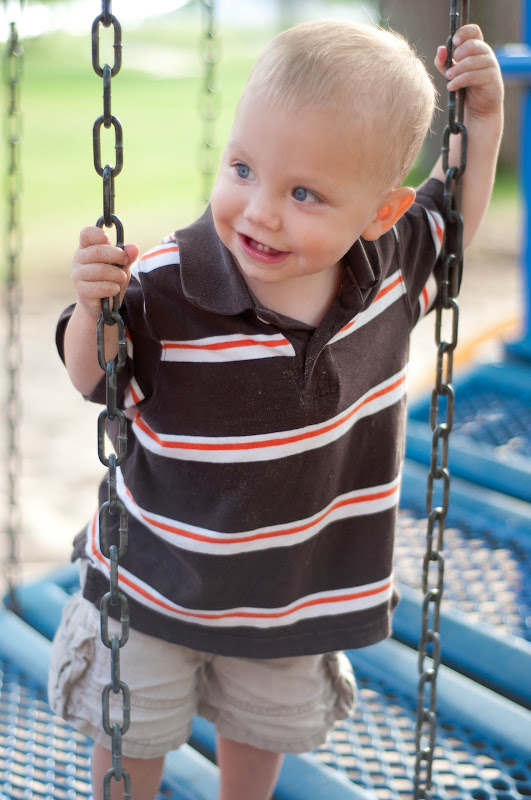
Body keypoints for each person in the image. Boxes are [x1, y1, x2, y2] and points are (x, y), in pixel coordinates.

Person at [48, 18, 504, 800]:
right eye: (242, 168)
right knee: (131, 736)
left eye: (302, 193)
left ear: (379, 215)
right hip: (154, 581)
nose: (259, 211)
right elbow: (95, 379)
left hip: (297, 592)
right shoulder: (167, 284)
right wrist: (94, 309)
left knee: (259, 733)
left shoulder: (391, 275)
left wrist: (483, 118)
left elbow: (451, 211)